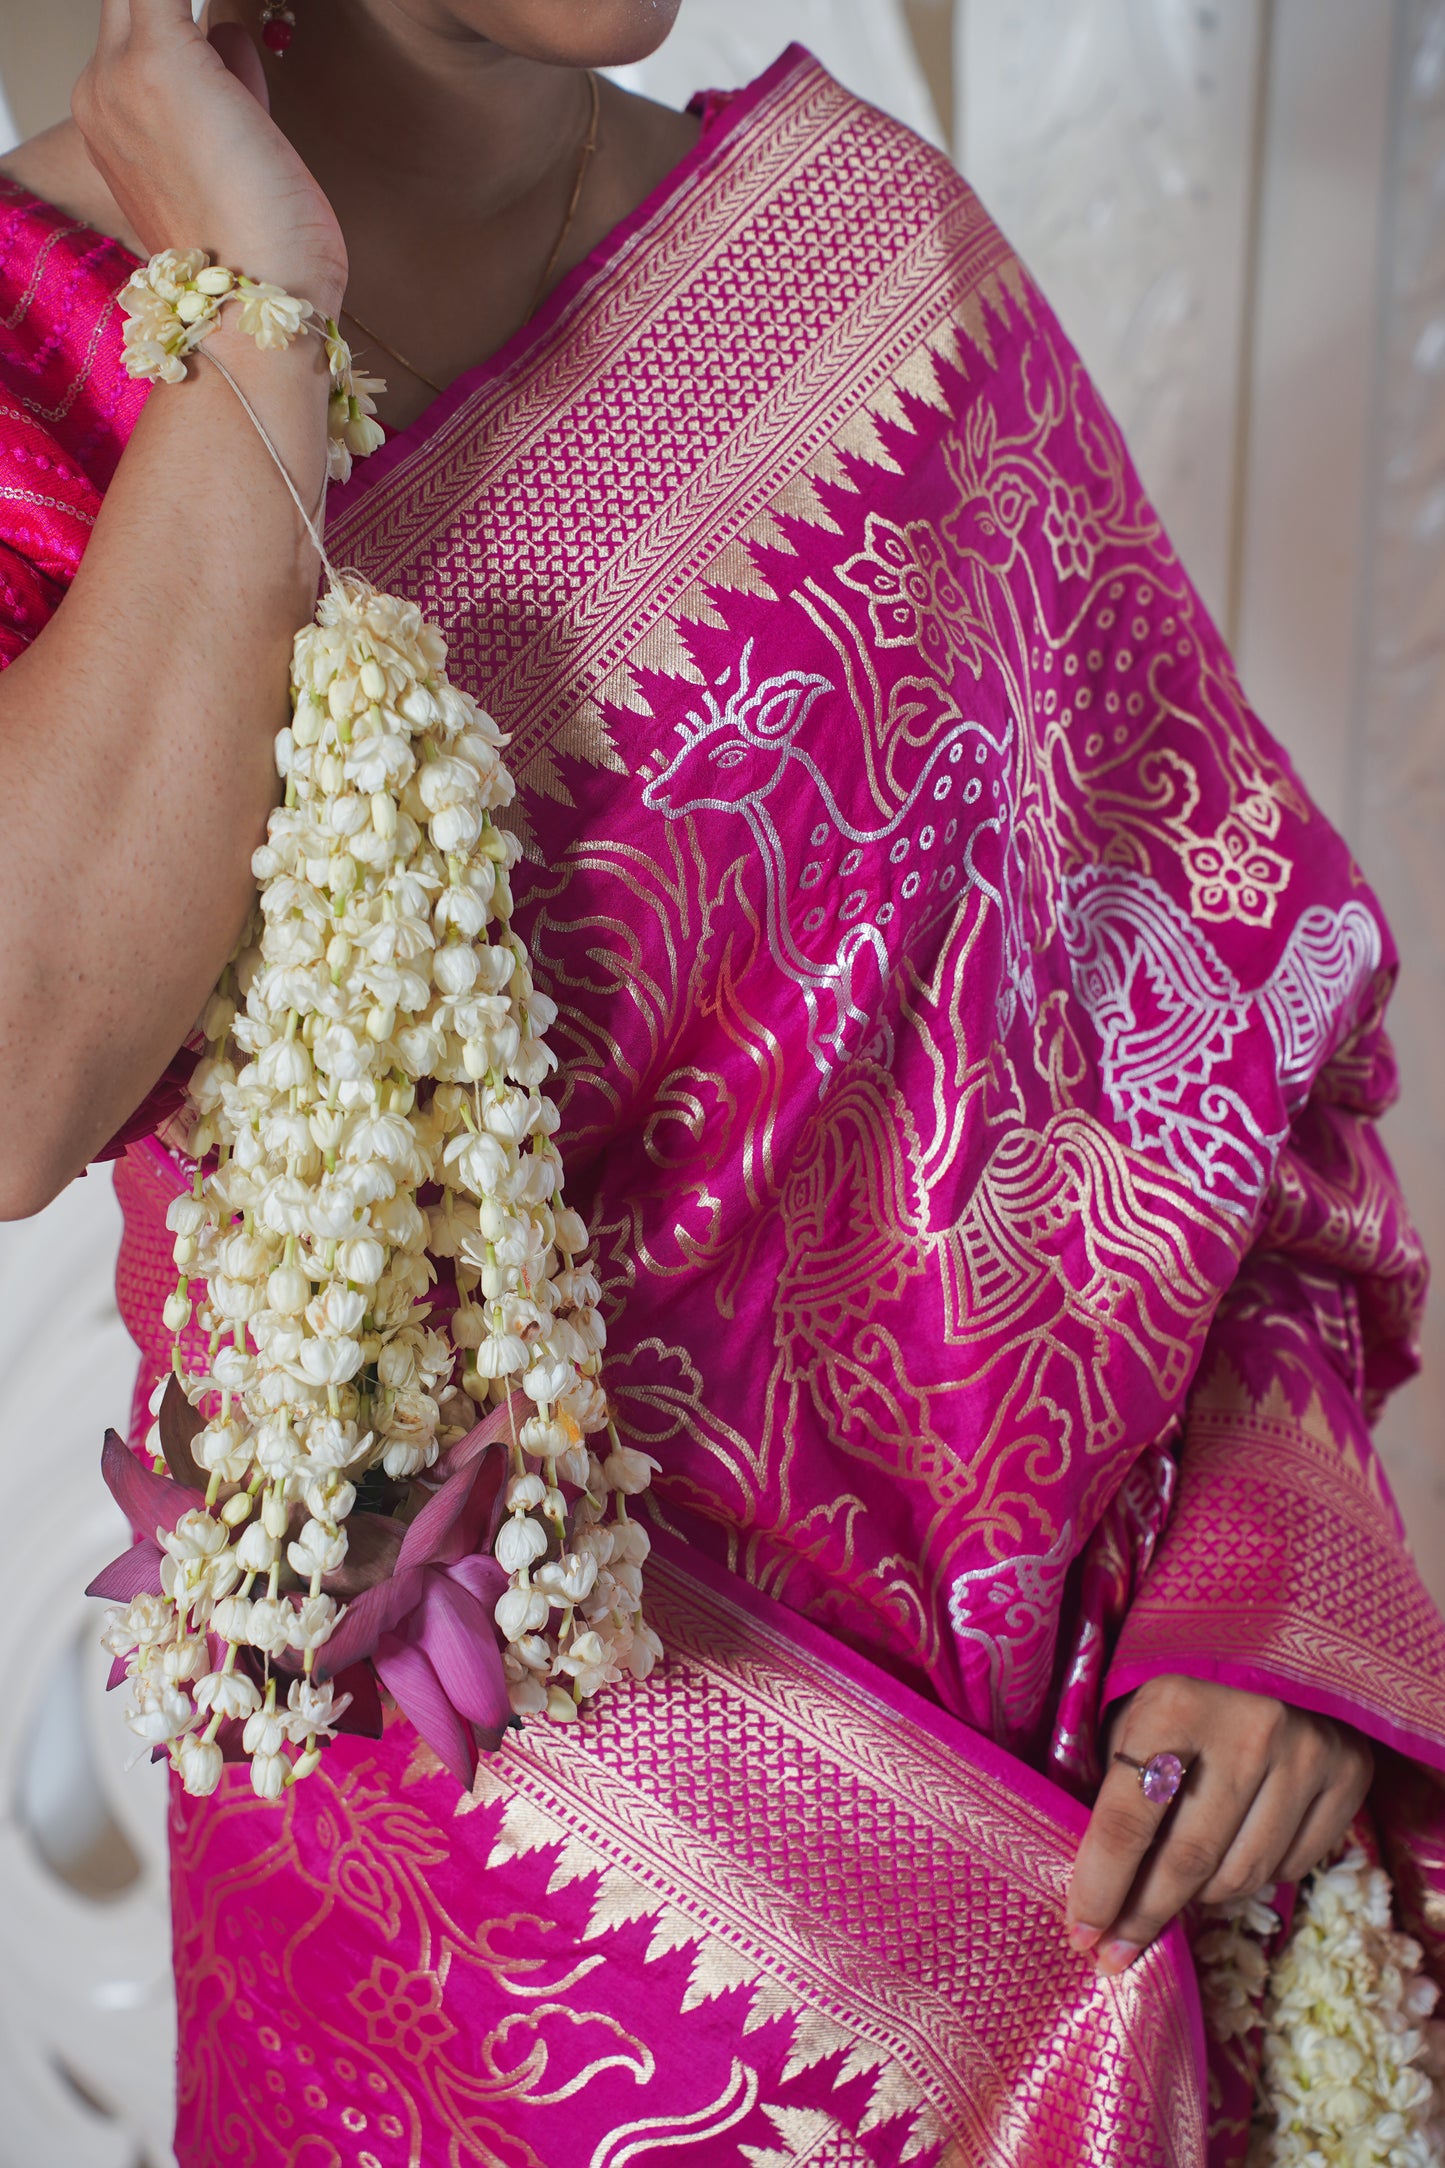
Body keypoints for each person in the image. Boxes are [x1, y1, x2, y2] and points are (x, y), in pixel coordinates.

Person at [0, 3, 1441, 2162]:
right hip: (530, 1948)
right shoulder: (44, 338)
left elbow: (1235, 1004)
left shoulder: (861, 254)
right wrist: (262, 316)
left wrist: (1268, 1562)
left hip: (1106, 1824)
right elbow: (27, 1065)